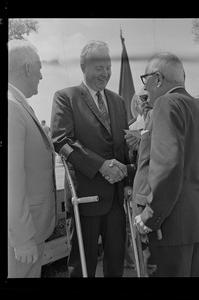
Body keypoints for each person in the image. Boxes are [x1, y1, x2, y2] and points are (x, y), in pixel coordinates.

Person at [50, 40, 132, 277]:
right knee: (82, 264)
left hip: (116, 199)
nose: (105, 73)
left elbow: (122, 145)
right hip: (85, 196)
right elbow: (62, 141)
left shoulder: (117, 101)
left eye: (108, 67)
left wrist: (127, 180)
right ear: (84, 66)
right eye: (99, 68)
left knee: (115, 263)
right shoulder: (66, 97)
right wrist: (101, 166)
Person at [131, 52, 199, 277]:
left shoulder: (167, 102)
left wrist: (150, 216)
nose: (145, 89)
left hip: (169, 226)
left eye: (146, 80)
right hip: (191, 221)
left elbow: (168, 165)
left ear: (158, 78)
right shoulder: (194, 105)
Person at [8, 39, 57, 278]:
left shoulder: (18, 104)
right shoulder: (10, 107)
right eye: (39, 68)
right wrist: (23, 237)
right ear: (27, 67)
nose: (41, 76)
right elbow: (9, 177)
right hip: (22, 236)